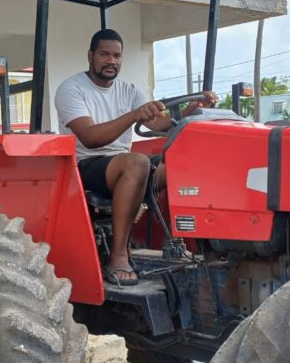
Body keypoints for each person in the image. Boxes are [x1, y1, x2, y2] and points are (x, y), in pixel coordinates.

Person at [55, 29, 217, 286]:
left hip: (122, 164)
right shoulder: (72, 88)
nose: (112, 61)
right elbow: (90, 137)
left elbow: (157, 124)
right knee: (137, 162)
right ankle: (119, 256)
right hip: (85, 166)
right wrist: (133, 116)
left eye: (117, 56)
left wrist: (189, 111)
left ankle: (179, 242)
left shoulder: (129, 90)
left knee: (181, 162)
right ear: (91, 56)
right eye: (104, 54)